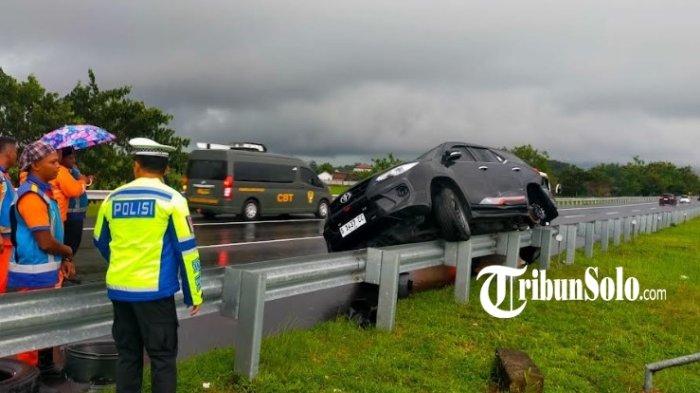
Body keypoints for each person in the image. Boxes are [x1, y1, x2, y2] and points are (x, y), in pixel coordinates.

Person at [93, 137, 203, 393]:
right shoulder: (172, 199)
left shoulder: (113, 198)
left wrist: (123, 262)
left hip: (120, 290)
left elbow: (100, 240)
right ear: (165, 169)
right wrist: (193, 293)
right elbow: (186, 250)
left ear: (136, 165)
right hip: (155, 294)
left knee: (128, 356)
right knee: (162, 359)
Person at [8, 141, 75, 369]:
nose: (58, 166)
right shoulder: (32, 197)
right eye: (53, 162)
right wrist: (68, 251)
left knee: (44, 333)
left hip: (45, 275)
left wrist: (64, 260)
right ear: (36, 165)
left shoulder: (45, 194)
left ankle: (44, 373)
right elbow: (45, 242)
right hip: (33, 277)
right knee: (32, 339)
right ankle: (27, 380)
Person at [60, 148, 92, 256]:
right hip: (70, 215)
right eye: (70, 158)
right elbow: (75, 190)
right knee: (69, 246)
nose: (73, 160)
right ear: (61, 158)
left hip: (76, 214)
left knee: (73, 245)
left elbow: (82, 182)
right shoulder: (62, 172)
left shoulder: (72, 170)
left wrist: (85, 181)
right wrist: (84, 181)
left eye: (74, 157)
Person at [0, 136, 18, 294]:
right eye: (16, 150)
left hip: (8, 239)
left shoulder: (4, 176)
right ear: (9, 152)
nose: (17, 154)